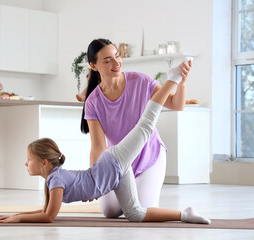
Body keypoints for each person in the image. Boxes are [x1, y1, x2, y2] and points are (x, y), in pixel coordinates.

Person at [0, 69, 210, 224]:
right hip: (113, 171)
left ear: (44, 162)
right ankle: (185, 214)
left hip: (112, 163)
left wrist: (18, 218)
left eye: (28, 159)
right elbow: (46, 210)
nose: (25, 163)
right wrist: (19, 216)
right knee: (135, 214)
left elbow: (49, 217)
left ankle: (172, 80)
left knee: (145, 126)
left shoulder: (56, 180)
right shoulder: (54, 180)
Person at [80, 39, 191, 218]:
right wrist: (94, 179)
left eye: (117, 56)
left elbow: (176, 104)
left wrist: (182, 82)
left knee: (143, 211)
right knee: (109, 211)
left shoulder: (141, 81)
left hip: (149, 156)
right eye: (107, 60)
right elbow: (98, 147)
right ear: (93, 66)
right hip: (120, 162)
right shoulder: (93, 101)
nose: (116, 63)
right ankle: (132, 193)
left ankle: (179, 211)